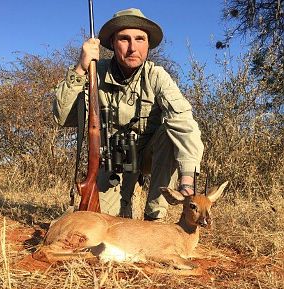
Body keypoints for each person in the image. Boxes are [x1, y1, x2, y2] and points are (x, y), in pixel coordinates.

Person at [53, 8, 204, 220]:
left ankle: (155, 219)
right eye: (124, 39)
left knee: (171, 133)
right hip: (113, 161)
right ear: (113, 43)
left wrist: (187, 179)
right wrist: (80, 67)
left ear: (148, 45)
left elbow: (184, 123)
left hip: (147, 157)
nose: (133, 48)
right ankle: (123, 202)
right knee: (104, 223)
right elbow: (63, 116)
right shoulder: (95, 71)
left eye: (140, 39)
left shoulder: (157, 76)